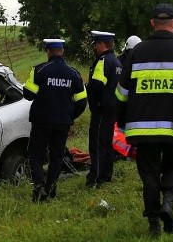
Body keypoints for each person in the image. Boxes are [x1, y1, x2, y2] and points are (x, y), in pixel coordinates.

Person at [116, 3, 173, 237]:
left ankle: (154, 225)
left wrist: (122, 123)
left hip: (142, 129)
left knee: (149, 174)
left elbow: (121, 94)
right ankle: (169, 201)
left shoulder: (136, 52)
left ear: (152, 23)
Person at [23, 38, 87, 202]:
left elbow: (28, 95)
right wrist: (69, 116)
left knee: (35, 154)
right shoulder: (74, 73)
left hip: (42, 121)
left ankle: (39, 187)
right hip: (63, 122)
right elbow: (82, 101)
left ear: (48, 51)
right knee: (57, 156)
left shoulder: (39, 70)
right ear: (62, 51)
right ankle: (50, 189)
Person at [85, 30, 122, 188]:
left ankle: (96, 177)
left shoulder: (103, 61)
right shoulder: (117, 62)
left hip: (101, 109)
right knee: (107, 143)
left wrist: (87, 86)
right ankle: (107, 174)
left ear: (101, 44)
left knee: (97, 143)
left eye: (96, 44)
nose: (95, 48)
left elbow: (97, 84)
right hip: (112, 108)